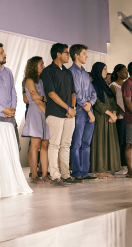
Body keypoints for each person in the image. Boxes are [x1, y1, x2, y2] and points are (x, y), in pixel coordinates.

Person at [40, 43, 77, 187]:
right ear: (58, 54)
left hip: (69, 114)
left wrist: (72, 108)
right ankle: (55, 176)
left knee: (66, 145)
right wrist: (68, 107)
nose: (69, 56)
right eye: (67, 53)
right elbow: (51, 94)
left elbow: (73, 92)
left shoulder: (68, 72)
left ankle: (66, 174)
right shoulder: (48, 72)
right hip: (55, 113)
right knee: (54, 144)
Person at [68, 44, 97, 181]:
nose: (86, 56)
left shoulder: (86, 73)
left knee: (86, 143)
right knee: (77, 142)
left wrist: (91, 103)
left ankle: (85, 171)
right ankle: (77, 172)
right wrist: (87, 108)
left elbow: (93, 92)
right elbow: (75, 93)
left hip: (88, 109)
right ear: (76, 55)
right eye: (84, 53)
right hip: (79, 110)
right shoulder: (70, 72)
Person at [21, 56, 50, 184]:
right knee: (35, 145)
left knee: (45, 145)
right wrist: (48, 113)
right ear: (34, 66)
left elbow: (45, 98)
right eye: (41, 65)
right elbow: (35, 100)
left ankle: (44, 174)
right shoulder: (29, 80)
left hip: (44, 112)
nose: (43, 67)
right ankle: (34, 176)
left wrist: (43, 98)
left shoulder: (43, 80)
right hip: (35, 113)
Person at [89, 62, 120, 178]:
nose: (106, 71)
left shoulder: (105, 85)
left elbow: (112, 101)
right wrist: (110, 114)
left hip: (109, 118)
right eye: (104, 69)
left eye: (106, 69)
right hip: (100, 117)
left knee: (107, 143)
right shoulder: (94, 85)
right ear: (98, 70)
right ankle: (98, 169)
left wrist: (114, 114)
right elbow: (97, 103)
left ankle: (105, 168)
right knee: (100, 142)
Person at [110, 64, 128, 175]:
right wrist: (122, 112)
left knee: (128, 142)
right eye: (124, 71)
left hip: (129, 117)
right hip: (121, 117)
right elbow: (113, 103)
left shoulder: (127, 85)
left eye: (127, 72)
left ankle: (127, 164)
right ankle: (121, 165)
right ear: (118, 73)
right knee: (121, 142)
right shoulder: (113, 86)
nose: (126, 74)